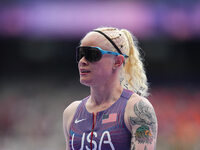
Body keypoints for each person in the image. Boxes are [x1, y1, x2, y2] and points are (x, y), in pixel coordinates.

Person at [63, 27, 158, 150]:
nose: (82, 61)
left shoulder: (137, 110)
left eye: (92, 54)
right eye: (80, 54)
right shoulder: (71, 112)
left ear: (117, 61)